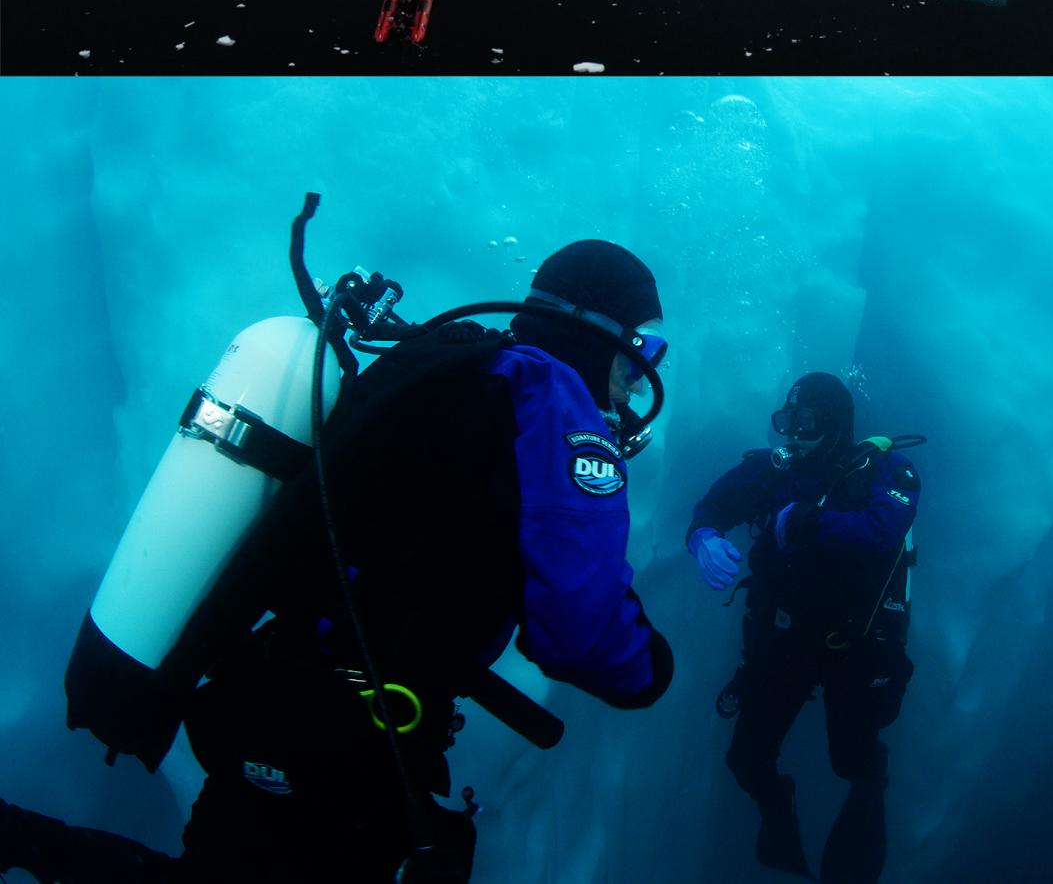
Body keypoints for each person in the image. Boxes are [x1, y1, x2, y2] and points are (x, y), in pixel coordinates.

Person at [2, 239, 672, 884]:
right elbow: (583, 633)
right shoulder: (554, 401)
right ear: (592, 327)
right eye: (641, 348)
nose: (638, 378)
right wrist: (651, 667)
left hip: (274, 694)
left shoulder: (452, 360)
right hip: (348, 745)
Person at [686, 373, 920, 884]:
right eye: (785, 422)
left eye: (804, 423)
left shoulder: (888, 471)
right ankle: (778, 808)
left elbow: (883, 531)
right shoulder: (769, 473)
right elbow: (712, 508)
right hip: (783, 643)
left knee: (851, 763)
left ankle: (869, 790)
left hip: (853, 647)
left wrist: (805, 522)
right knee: (746, 760)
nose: (791, 435)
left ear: (835, 426)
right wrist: (703, 538)